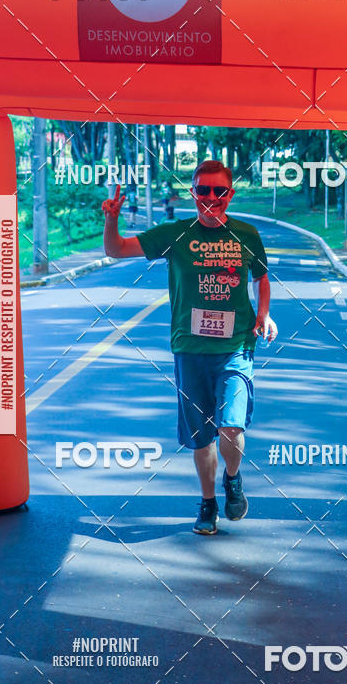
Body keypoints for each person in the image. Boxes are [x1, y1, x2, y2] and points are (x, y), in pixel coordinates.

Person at [102, 160, 278, 535]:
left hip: (236, 347)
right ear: (193, 193)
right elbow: (116, 250)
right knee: (201, 436)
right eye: (203, 190)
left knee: (230, 427)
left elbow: (262, 278)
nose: (211, 198)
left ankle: (233, 479)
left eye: (219, 191)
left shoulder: (246, 234)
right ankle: (208, 502)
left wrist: (264, 315)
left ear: (230, 194)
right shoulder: (175, 234)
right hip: (190, 349)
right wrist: (112, 218)